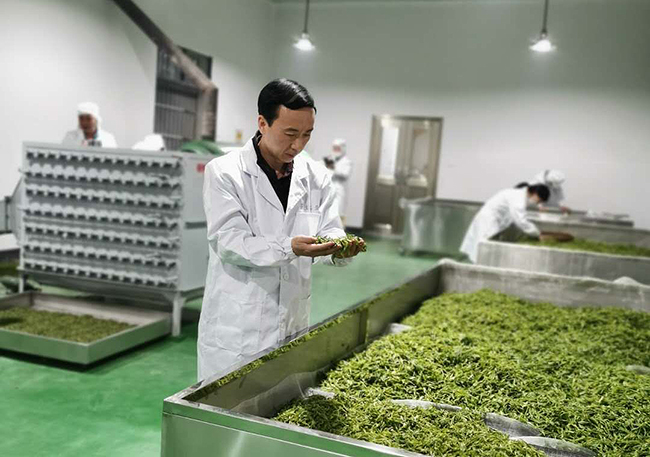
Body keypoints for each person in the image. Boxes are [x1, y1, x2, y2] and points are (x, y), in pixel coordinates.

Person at [198, 79, 365, 381]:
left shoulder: (316, 176)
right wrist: (289, 247)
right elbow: (229, 241)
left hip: (291, 319)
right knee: (227, 410)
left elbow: (330, 229)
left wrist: (340, 249)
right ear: (262, 123)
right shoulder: (225, 172)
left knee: (279, 407)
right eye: (290, 134)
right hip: (238, 327)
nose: (298, 145)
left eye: (307, 135)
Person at [460, 184, 550, 263]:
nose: (537, 203)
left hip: (489, 219)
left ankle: (478, 266)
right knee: (483, 249)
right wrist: (537, 233)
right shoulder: (518, 198)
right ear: (535, 193)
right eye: (539, 200)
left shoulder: (517, 194)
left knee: (481, 250)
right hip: (488, 221)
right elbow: (521, 221)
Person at [324, 138, 352, 225]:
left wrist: (333, 169)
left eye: (338, 148)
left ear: (342, 149)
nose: (336, 150)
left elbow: (345, 174)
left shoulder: (347, 161)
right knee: (327, 212)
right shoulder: (330, 159)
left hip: (340, 190)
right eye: (334, 148)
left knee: (338, 212)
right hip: (329, 188)